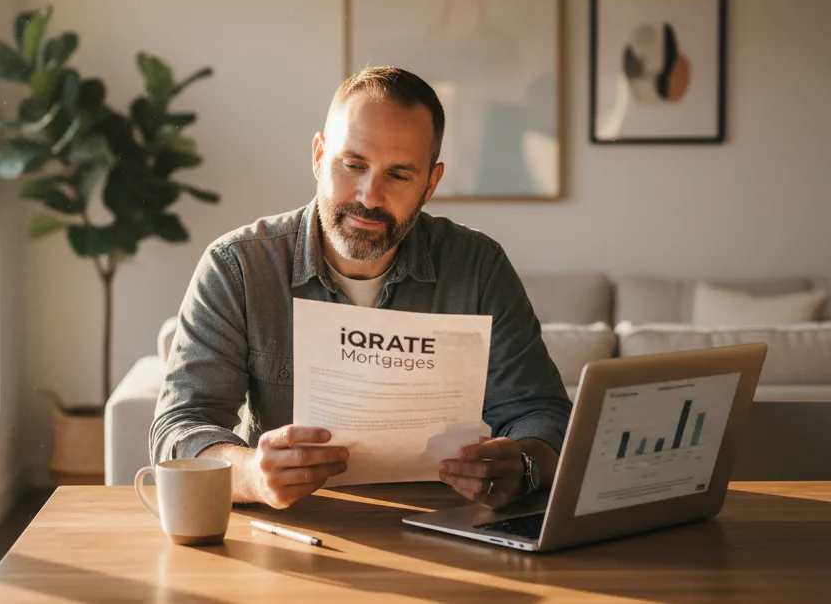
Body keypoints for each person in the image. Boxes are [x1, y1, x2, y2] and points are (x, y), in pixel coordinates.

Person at [150, 66, 571, 510]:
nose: (369, 196)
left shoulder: (478, 266)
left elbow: (543, 414)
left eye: (400, 175)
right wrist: (253, 475)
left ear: (430, 184)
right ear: (318, 156)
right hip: (294, 526)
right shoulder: (238, 266)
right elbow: (180, 427)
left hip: (449, 524)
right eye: (353, 165)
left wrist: (523, 465)